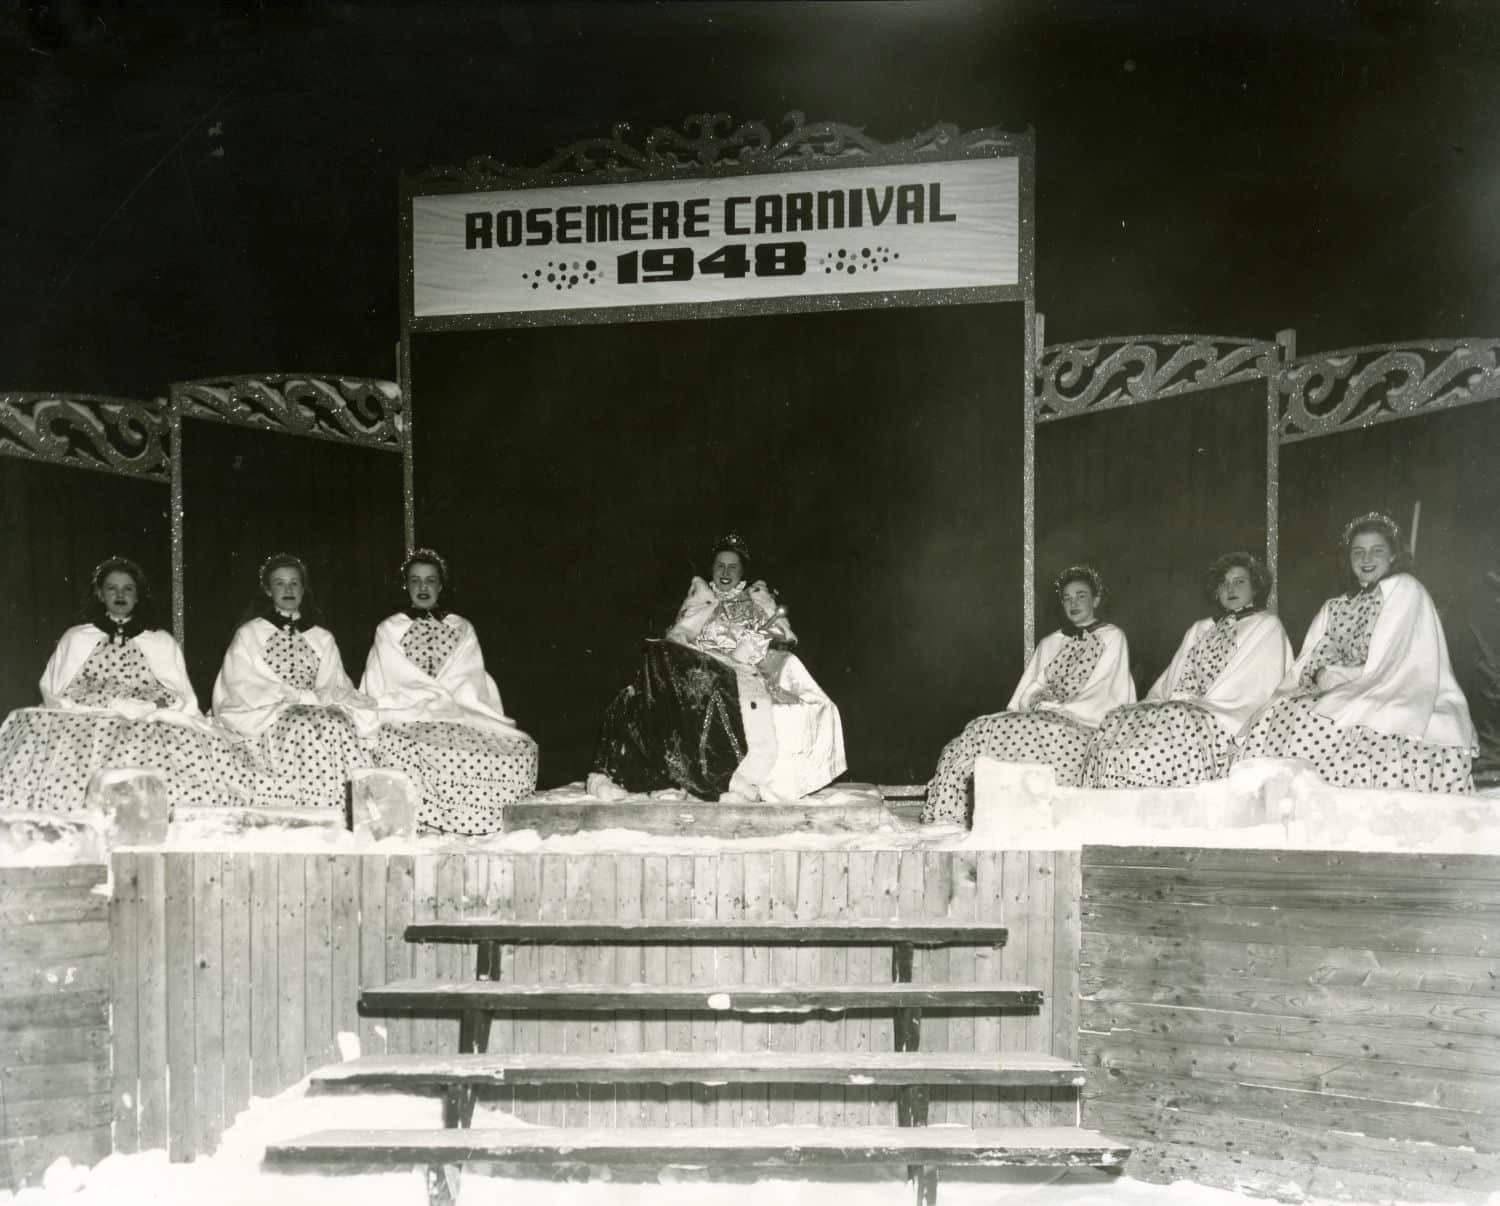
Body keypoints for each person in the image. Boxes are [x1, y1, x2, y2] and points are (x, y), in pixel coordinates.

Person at [588, 533, 846, 802]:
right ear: (711, 570)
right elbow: (676, 640)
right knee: (648, 671)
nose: (725, 572)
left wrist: (755, 646)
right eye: (720, 566)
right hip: (697, 669)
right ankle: (636, 775)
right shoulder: (700, 603)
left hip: (739, 675)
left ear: (742, 572)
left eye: (732, 567)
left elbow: (780, 641)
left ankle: (725, 780)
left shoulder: (755, 605)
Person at [1237, 512, 1475, 792]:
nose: (1366, 559)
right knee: (1281, 709)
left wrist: (1340, 677)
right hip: (1343, 688)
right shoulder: (1336, 605)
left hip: (1395, 686)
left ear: (1393, 556)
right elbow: (1315, 660)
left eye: (1377, 551)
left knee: (1320, 715)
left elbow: (1396, 663)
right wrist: (1321, 675)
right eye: (1358, 552)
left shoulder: (1404, 589)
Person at [0, 556, 247, 811]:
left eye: (128, 589)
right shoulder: (77, 637)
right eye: (112, 588)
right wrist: (108, 704)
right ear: (100, 594)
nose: (120, 595)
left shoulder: (159, 640)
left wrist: (150, 705)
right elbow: (56, 689)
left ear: (138, 596)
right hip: (89, 712)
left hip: (147, 714)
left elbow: (179, 693)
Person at [923, 565, 1134, 825]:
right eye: (1067, 598)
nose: (1073, 603)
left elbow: (1105, 690)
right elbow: (1028, 691)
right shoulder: (1050, 642)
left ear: (1096, 600)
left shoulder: (1113, 637)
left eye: (1080, 595)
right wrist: (1036, 699)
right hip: (1043, 716)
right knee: (983, 729)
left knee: (1036, 731)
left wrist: (1059, 708)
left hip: (1084, 723)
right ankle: (957, 816)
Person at [361, 549, 538, 834]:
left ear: (441, 586)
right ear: (406, 584)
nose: (423, 587)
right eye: (416, 580)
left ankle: (481, 825)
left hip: (459, 708)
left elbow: (467, 675)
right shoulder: (390, 628)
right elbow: (395, 675)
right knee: (420, 747)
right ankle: (428, 825)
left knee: (513, 748)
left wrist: (447, 700)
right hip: (409, 709)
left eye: (430, 580)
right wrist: (429, 698)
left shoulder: (461, 627)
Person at [1084, 552, 1293, 788]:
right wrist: (1161, 700)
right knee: (1124, 716)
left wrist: (1202, 704)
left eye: (1239, 581)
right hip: (1186, 706)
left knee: (1176, 716)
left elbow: (1255, 683)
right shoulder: (1201, 627)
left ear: (1255, 588)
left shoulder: (1266, 624)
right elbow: (1174, 677)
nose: (1230, 588)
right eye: (1224, 583)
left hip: (1226, 712)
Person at [212, 553, 375, 809]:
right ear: (268, 590)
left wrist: (315, 699)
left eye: (294, 583)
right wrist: (290, 700)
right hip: (270, 712)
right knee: (301, 724)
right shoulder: (250, 633)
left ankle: (347, 809)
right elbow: (241, 683)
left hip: (317, 708)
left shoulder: (322, 637)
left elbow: (335, 683)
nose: (288, 589)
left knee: (338, 723)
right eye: (279, 583)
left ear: (303, 588)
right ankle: (305, 808)